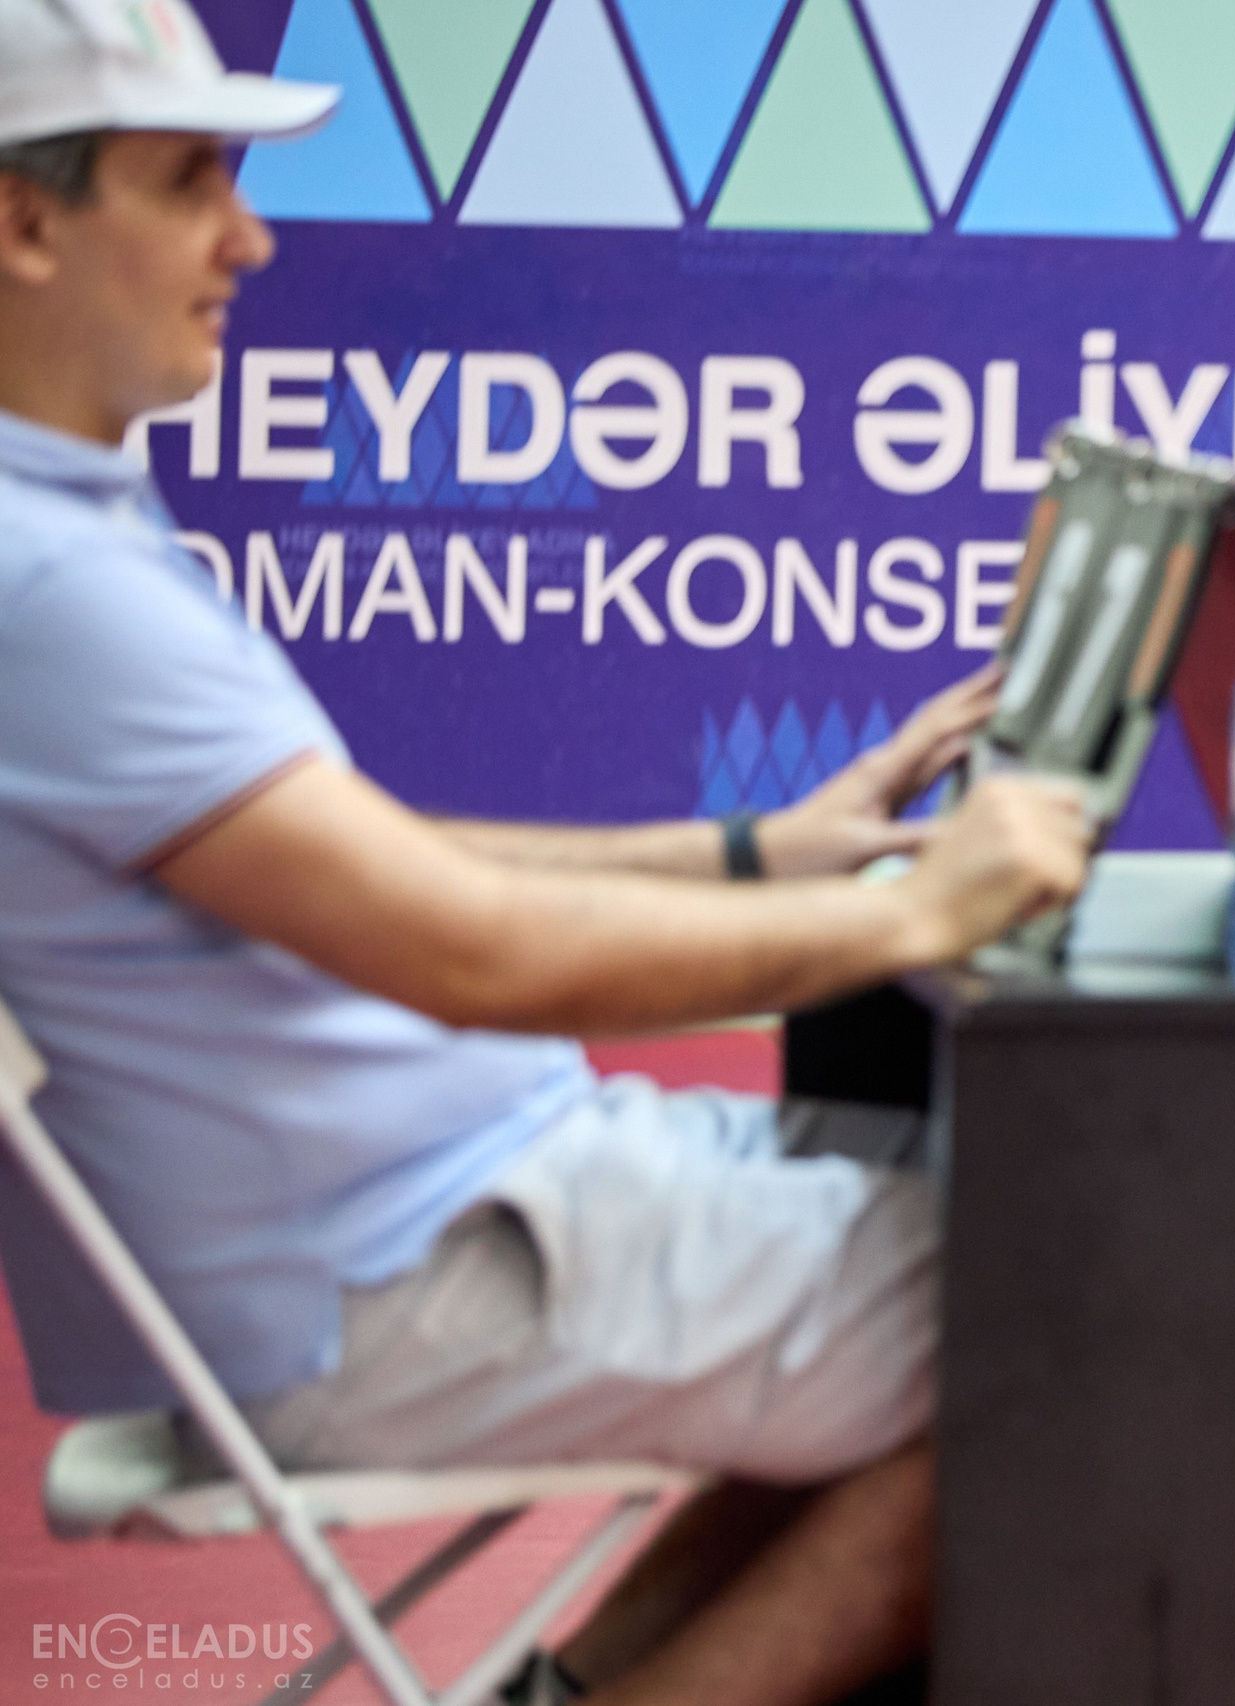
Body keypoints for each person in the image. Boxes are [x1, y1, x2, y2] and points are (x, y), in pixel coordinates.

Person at [0, 5, 1091, 1702]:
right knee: (1099, 1323)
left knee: (1008, 1234)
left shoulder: (71, 525)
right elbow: (469, 952)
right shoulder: (51, 587)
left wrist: (762, 855)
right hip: (402, 1271)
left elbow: (381, 858)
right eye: (190, 178)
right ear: (24, 222)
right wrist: (923, 910)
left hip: (439, 1217)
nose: (249, 236)